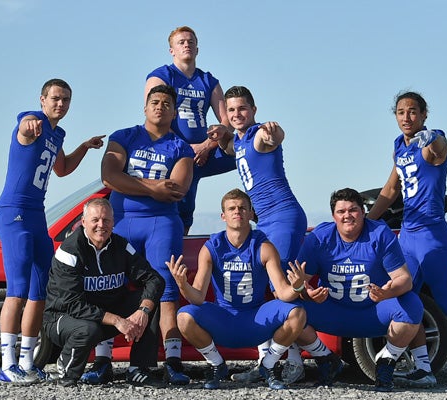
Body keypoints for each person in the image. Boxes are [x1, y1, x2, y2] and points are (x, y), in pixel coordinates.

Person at [366, 91, 447, 393]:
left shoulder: (432, 142)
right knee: (409, 301)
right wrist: (369, 222)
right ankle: (423, 368)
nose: (407, 117)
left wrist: (433, 138)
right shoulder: (399, 147)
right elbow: (391, 190)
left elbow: (440, 149)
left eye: (413, 112)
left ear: (424, 115)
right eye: (401, 112)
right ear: (396, 115)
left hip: (432, 236)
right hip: (407, 237)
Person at [0, 78, 105, 385]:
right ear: (43, 100)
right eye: (55, 98)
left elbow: (63, 168)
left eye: (66, 100)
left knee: (38, 291)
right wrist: (27, 121)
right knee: (17, 289)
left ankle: (28, 362)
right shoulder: (35, 122)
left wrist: (84, 147)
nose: (60, 104)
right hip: (12, 212)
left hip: (36, 215)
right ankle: (7, 364)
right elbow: (24, 123)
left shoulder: (57, 133)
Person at [97, 84, 194, 385]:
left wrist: (131, 181)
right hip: (122, 220)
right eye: (155, 101)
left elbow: (176, 191)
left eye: (167, 103)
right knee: (109, 287)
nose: (160, 107)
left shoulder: (181, 147)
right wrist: (154, 186)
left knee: (165, 291)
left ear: (174, 111)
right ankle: (103, 360)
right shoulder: (123, 137)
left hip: (161, 223)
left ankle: (173, 360)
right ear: (145, 106)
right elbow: (109, 176)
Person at [167, 188, 308, 390]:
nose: (237, 212)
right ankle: (216, 364)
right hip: (224, 317)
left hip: (255, 318)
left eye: (242, 208)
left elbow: (284, 293)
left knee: (298, 313)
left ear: (251, 213)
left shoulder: (263, 246)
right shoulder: (212, 247)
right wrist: (182, 284)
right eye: (232, 208)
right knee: (183, 317)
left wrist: (298, 286)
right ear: (223, 216)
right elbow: (197, 298)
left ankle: (267, 366)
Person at [213, 85, 308, 383]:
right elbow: (231, 147)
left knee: (284, 289)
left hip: (283, 217)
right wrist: (220, 136)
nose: (237, 114)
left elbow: (272, 138)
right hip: (264, 221)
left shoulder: (258, 135)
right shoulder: (239, 140)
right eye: (231, 110)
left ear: (253, 110)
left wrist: (274, 133)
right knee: (262, 287)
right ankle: (266, 361)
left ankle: (296, 362)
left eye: (242, 108)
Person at [295, 188, 424, 392]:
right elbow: (300, 284)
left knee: (412, 305)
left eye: (353, 210)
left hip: (372, 311)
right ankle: (326, 359)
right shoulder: (319, 238)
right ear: (333, 216)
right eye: (341, 211)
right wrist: (306, 292)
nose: (347, 215)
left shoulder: (379, 234)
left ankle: (386, 362)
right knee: (289, 308)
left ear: (363, 212)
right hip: (332, 309)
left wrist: (386, 293)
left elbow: (404, 279)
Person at [42, 198, 165, 387]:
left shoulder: (121, 245)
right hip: (63, 316)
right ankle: (67, 371)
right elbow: (73, 305)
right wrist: (117, 320)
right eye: (95, 220)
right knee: (87, 329)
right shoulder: (69, 251)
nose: (101, 225)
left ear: (113, 222)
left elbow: (154, 279)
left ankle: (138, 370)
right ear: (83, 222)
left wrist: (143, 311)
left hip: (105, 311)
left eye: (106, 220)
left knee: (149, 301)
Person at [145, 26, 235, 235]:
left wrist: (207, 145)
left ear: (197, 49)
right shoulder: (161, 76)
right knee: (182, 208)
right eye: (181, 42)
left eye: (191, 42)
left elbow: (226, 120)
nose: (187, 45)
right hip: (175, 152)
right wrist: (186, 148)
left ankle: (259, 210)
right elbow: (153, 118)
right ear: (172, 50)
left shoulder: (208, 81)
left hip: (204, 152)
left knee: (247, 151)